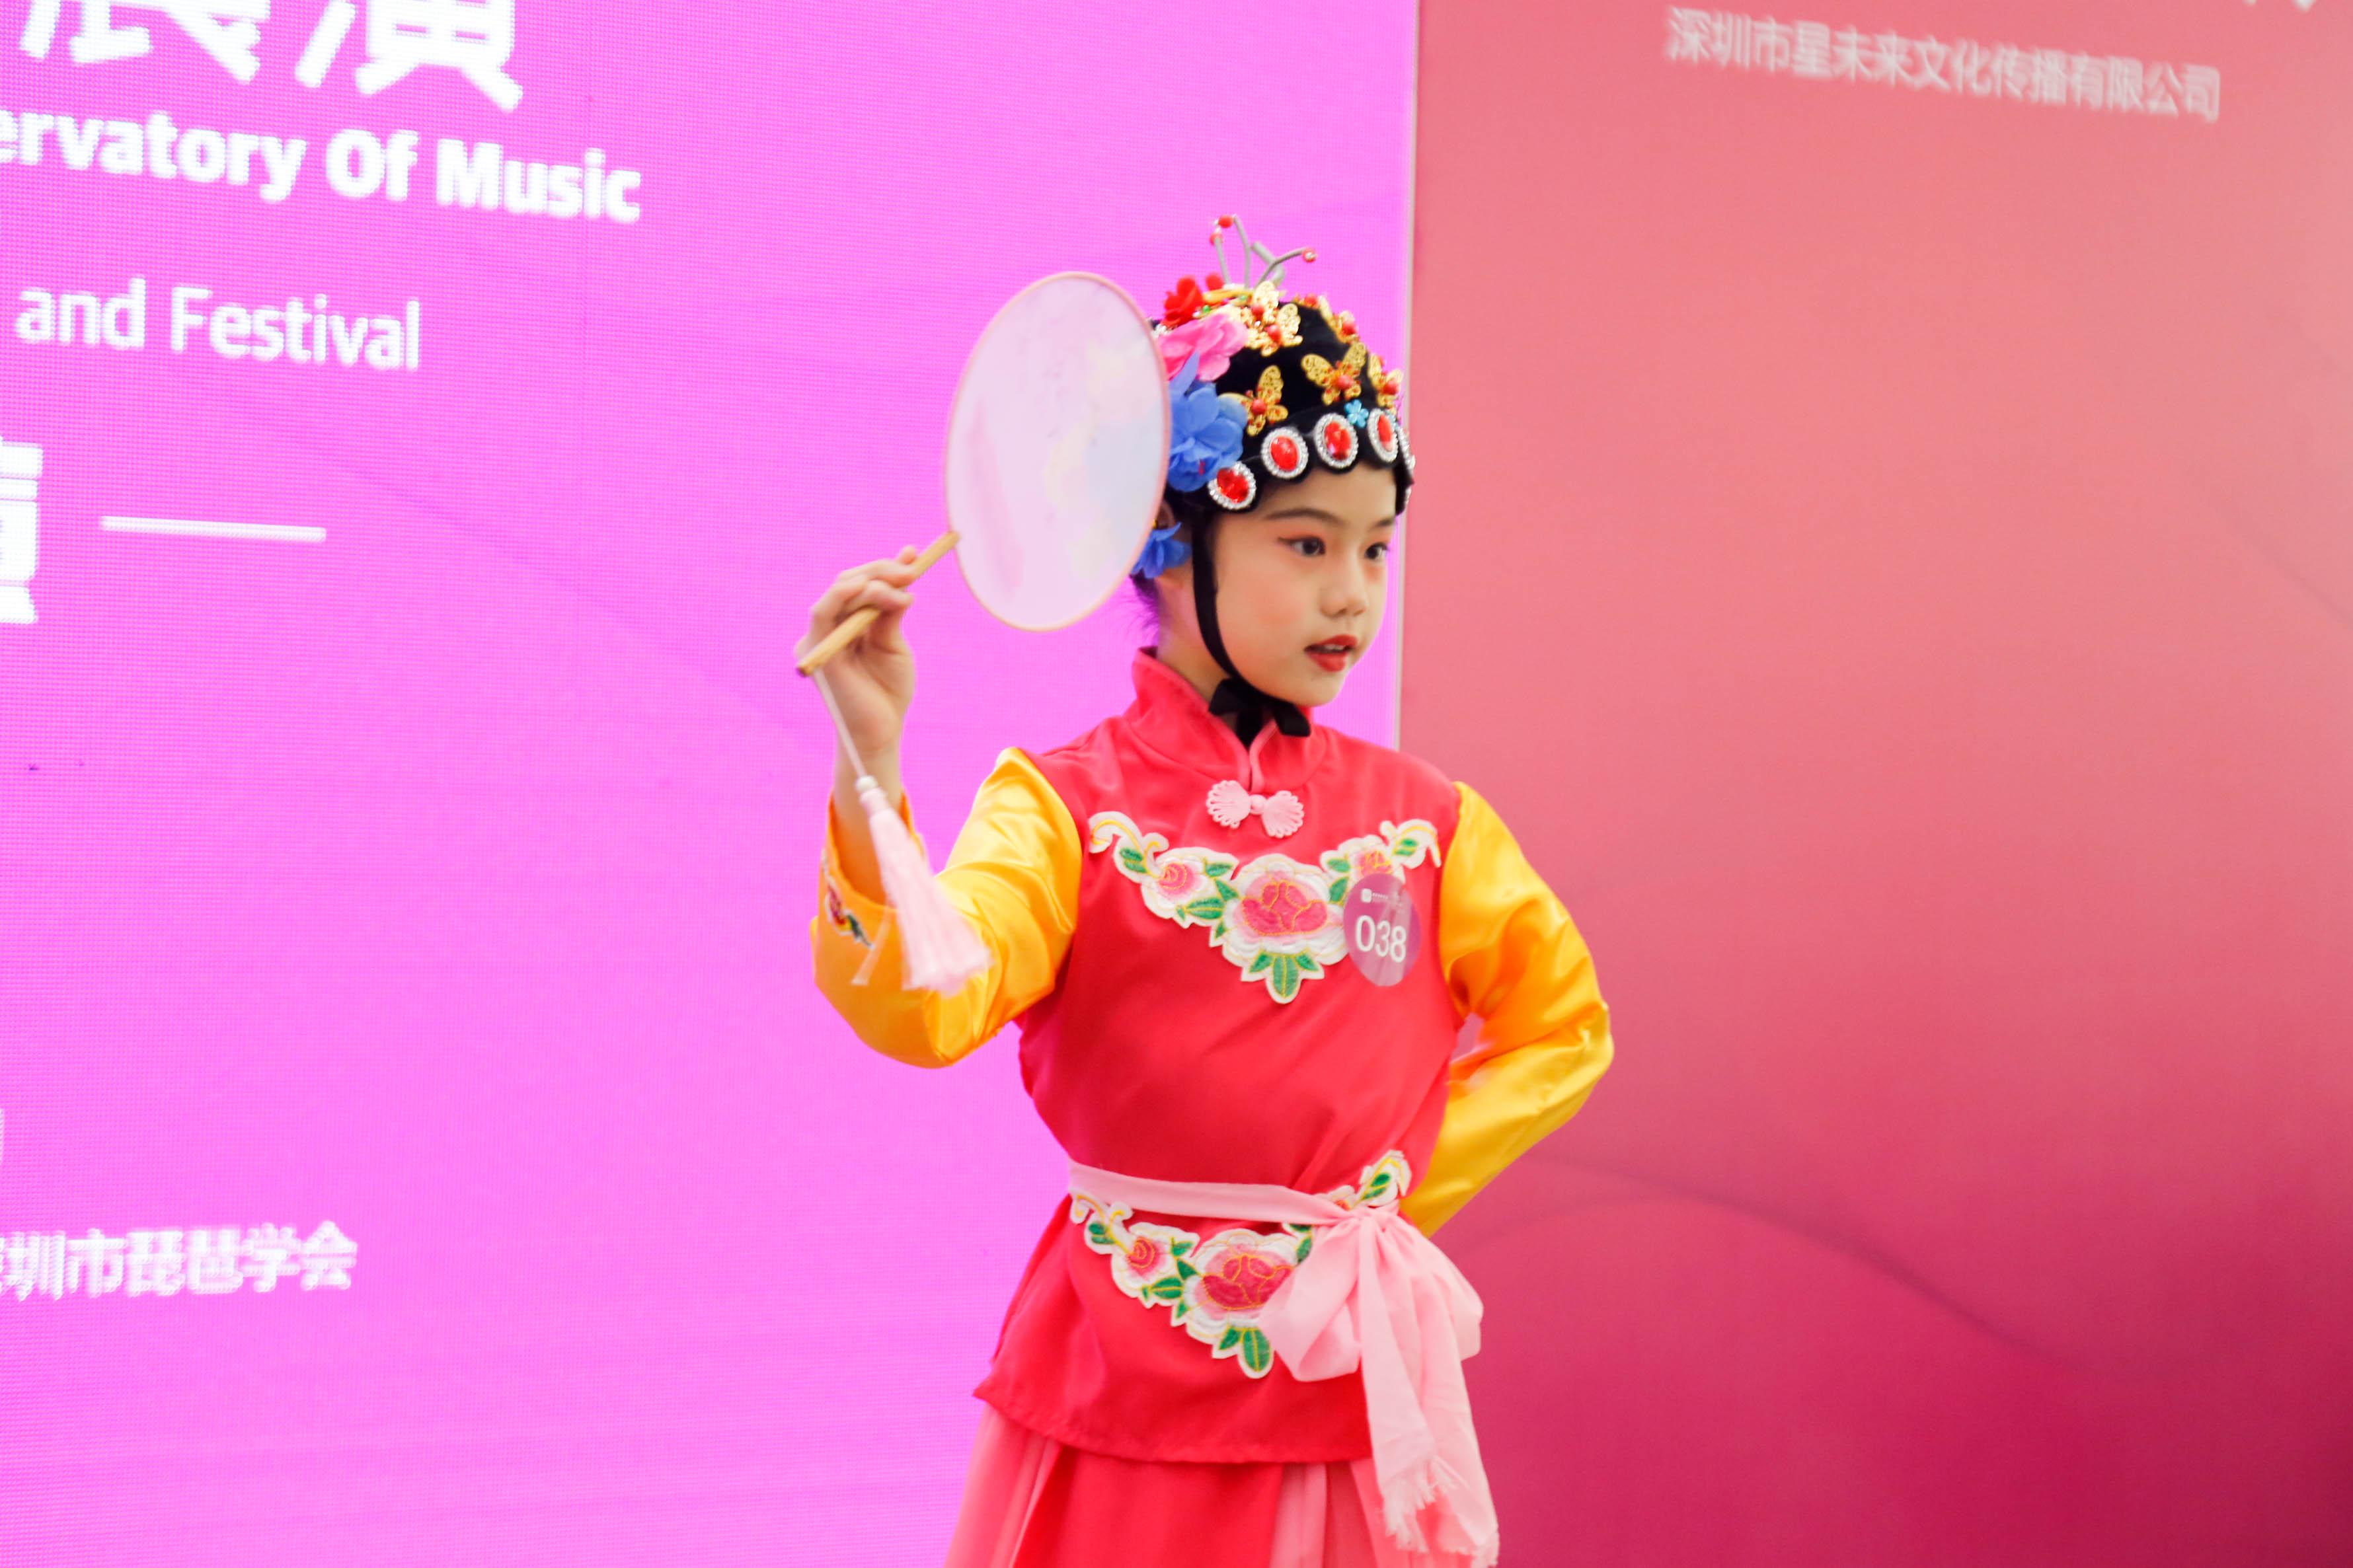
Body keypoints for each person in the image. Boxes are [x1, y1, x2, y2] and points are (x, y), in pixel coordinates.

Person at [802, 219, 1613, 1568]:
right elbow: (922, 1007)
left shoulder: (1428, 825)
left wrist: (1382, 1199)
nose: (1350, 594)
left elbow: (1561, 1026)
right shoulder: (1062, 808)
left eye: (1373, 550)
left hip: (1336, 1367)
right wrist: (868, 763)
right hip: (1110, 1380)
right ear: (1169, 544)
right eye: (1304, 542)